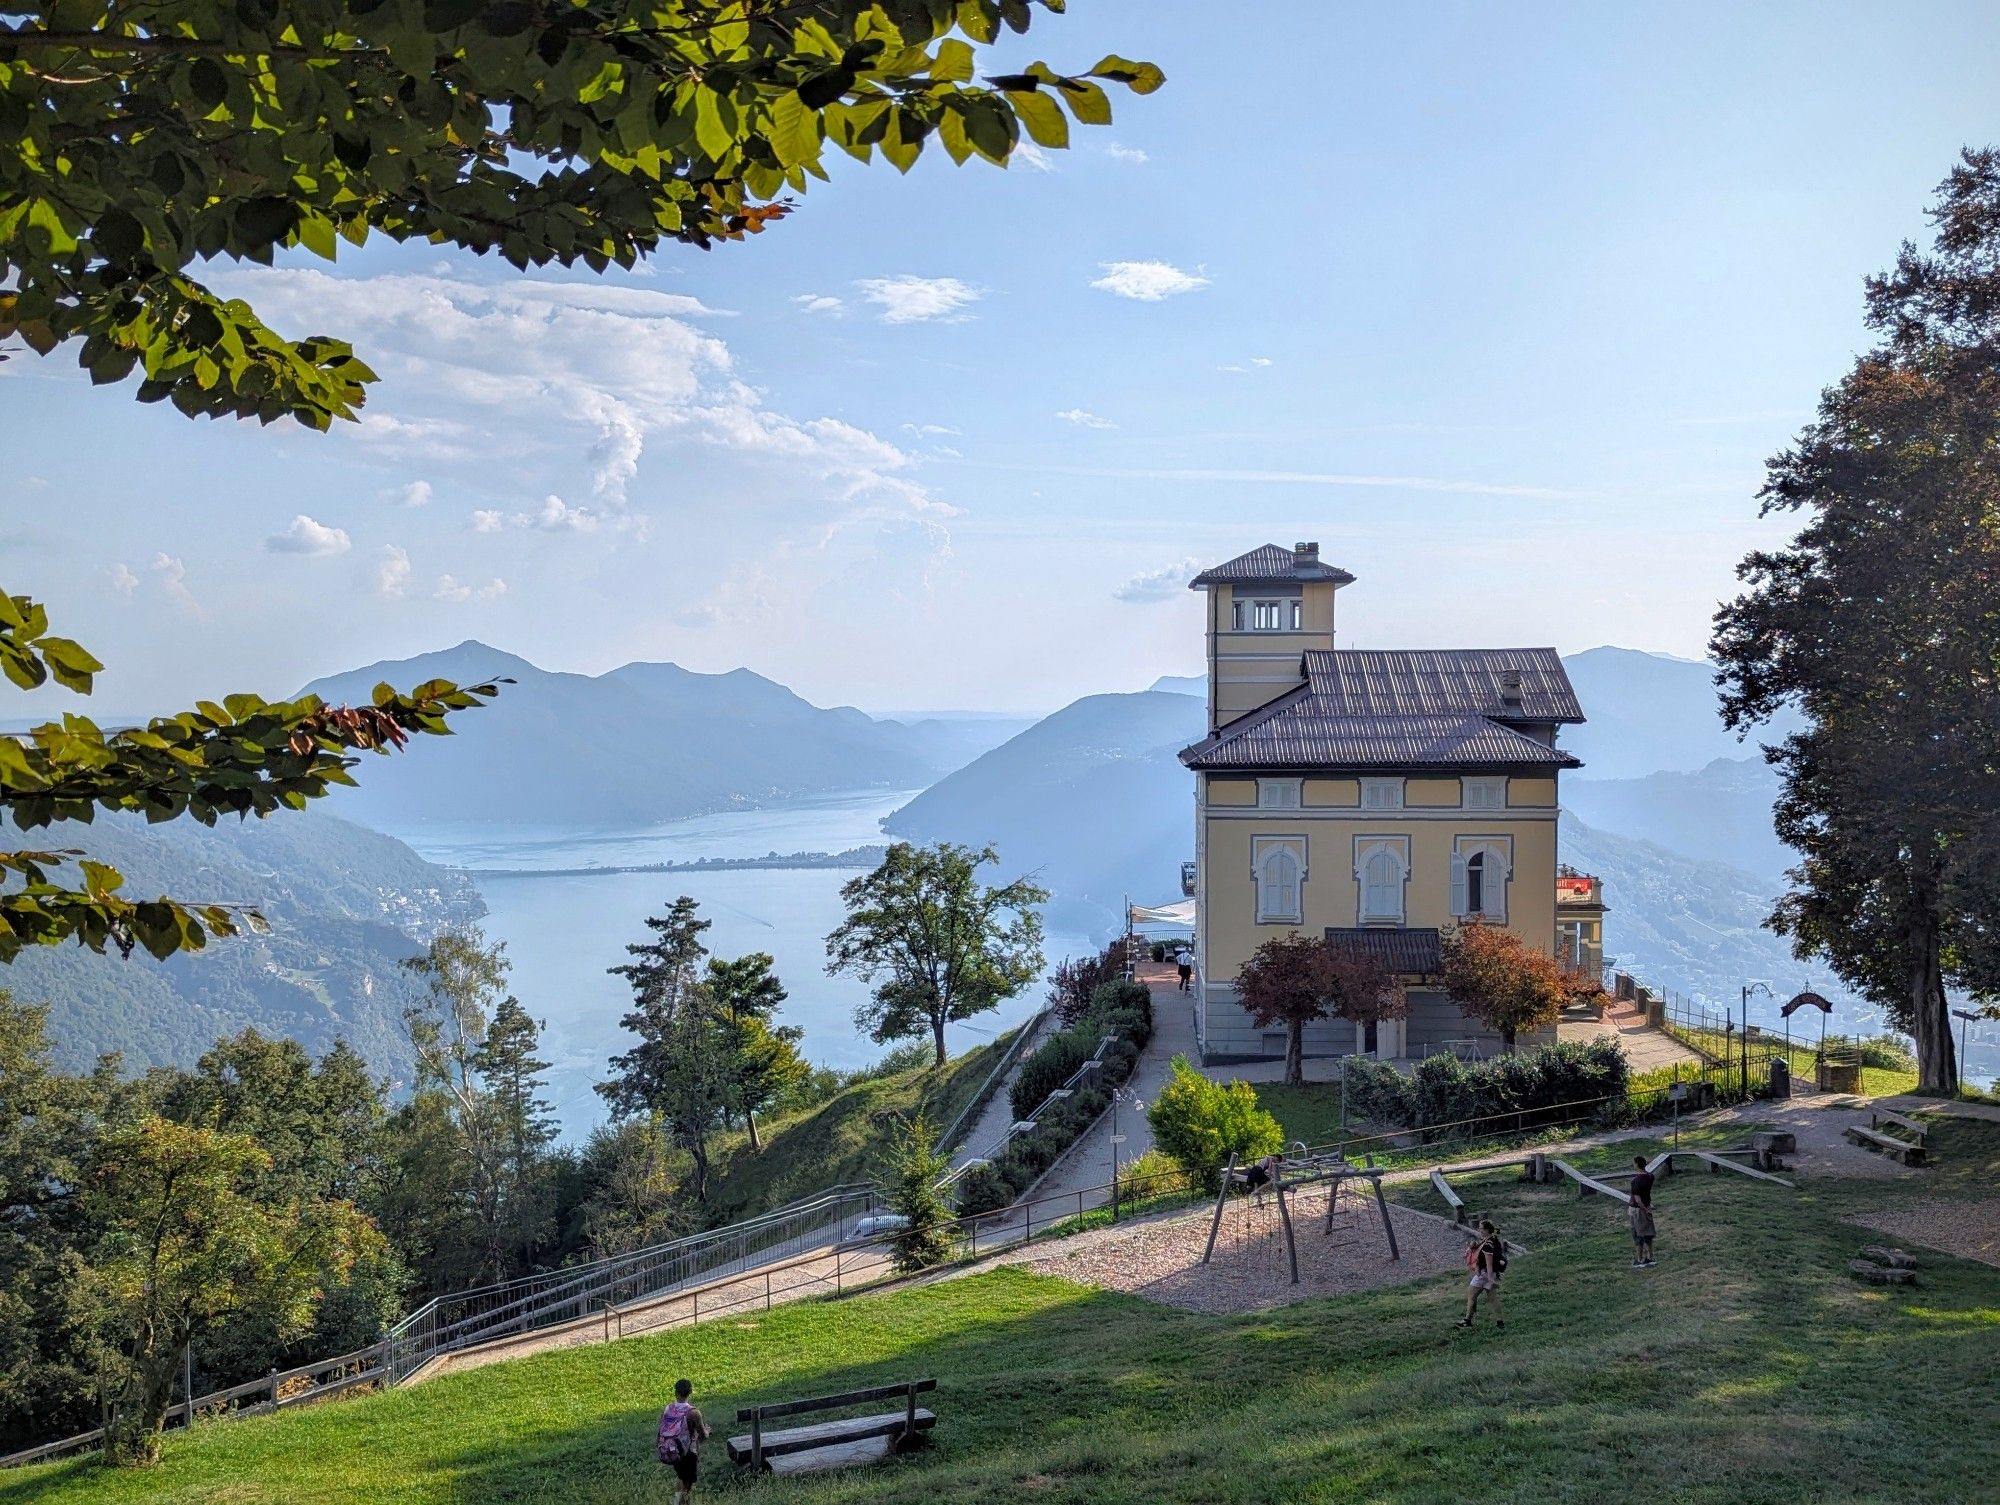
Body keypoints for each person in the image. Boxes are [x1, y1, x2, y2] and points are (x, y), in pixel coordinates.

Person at [656, 1377, 712, 1503]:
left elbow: (661, 1429)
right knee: (687, 1484)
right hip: (688, 1452)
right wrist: (707, 1430)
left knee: (681, 1478)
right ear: (690, 1391)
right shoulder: (693, 1412)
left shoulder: (667, 1409)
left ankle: (677, 1502)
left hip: (673, 1449)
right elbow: (703, 1434)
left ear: (675, 1393)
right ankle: (678, 1503)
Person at [1456, 1219, 1506, 1329]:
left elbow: (1489, 1264)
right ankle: (1500, 1322)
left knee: (1471, 1294)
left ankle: (1467, 1320)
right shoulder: (1490, 1240)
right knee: (1492, 1298)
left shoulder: (1488, 1245)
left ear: (1487, 1230)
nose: (1479, 1230)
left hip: (1484, 1274)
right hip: (1488, 1274)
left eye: (1481, 1228)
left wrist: (1490, 1280)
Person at [1628, 1155, 1657, 1269]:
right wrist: (1648, 1209)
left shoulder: (1635, 1180)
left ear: (1636, 1164)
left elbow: (1637, 1199)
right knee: (1648, 1234)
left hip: (1637, 1210)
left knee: (1637, 1235)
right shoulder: (1650, 1177)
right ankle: (1650, 1257)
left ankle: (1640, 1260)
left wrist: (1644, 1209)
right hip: (1647, 1206)